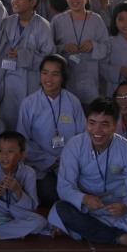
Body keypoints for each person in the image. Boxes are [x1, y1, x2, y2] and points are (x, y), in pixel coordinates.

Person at [47, 97, 127, 251]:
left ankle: (82, 230)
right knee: (60, 209)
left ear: (115, 126)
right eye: (92, 123)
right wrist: (84, 198)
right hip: (85, 208)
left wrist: (126, 206)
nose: (97, 130)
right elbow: (64, 187)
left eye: (104, 124)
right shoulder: (74, 145)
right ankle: (119, 237)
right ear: (86, 123)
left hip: (116, 208)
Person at [17, 54, 86, 207]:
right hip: (40, 164)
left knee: (82, 190)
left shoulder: (73, 101)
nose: (49, 78)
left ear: (63, 77)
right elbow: (22, 141)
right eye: (45, 73)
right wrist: (50, 160)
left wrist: (66, 160)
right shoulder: (29, 103)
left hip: (69, 162)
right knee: (53, 195)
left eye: (55, 74)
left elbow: (82, 136)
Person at [0, 0, 53, 130]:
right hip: (10, 83)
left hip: (32, 83)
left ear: (32, 2)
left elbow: (49, 60)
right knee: (10, 124)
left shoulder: (42, 25)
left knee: (31, 124)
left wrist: (23, 55)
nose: (14, 1)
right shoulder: (8, 23)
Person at [52, 0, 109, 107]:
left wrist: (93, 45)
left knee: (90, 111)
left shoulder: (96, 20)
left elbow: (107, 47)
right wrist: (63, 47)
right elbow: (49, 49)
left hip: (90, 78)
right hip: (66, 77)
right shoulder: (58, 21)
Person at [0, 131, 47, 239]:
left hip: (18, 213)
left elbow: (32, 208)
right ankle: (15, 229)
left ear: (22, 155)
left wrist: (18, 190)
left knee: (41, 222)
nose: (4, 155)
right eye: (0, 151)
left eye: (10, 151)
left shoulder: (29, 173)